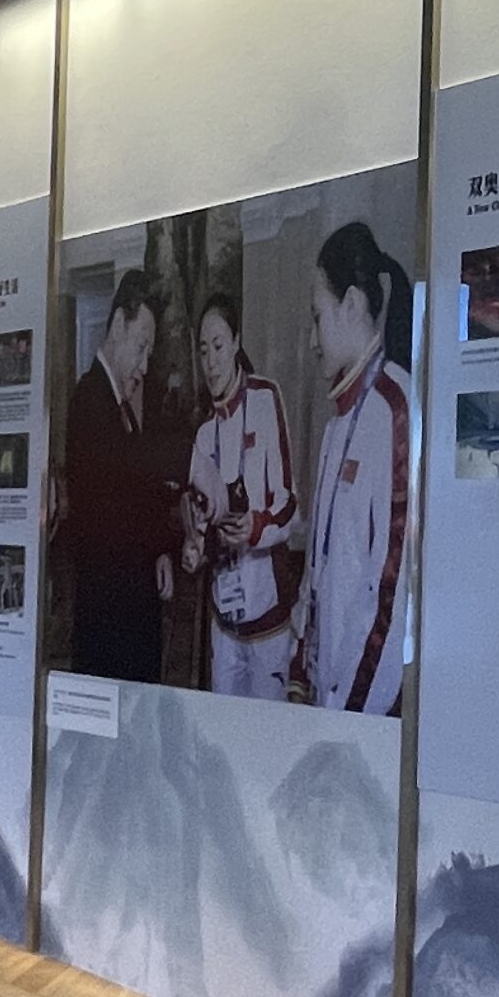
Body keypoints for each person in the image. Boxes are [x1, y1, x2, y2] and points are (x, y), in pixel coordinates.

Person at [290, 223, 413, 714]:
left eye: (317, 317)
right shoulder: (338, 422)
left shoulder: (394, 409)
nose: (312, 339)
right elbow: (319, 569)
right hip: (329, 697)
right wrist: (301, 670)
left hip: (365, 710)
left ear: (353, 305)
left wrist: (350, 719)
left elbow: (391, 591)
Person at [179, 296, 298, 700]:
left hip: (268, 617)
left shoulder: (265, 398)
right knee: (223, 727)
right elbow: (201, 523)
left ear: (235, 342)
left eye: (218, 346)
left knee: (266, 727)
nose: (210, 362)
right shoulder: (203, 434)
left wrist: (255, 527)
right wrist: (195, 547)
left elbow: (289, 504)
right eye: (203, 350)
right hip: (223, 621)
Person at [61, 270, 175, 683]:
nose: (143, 366)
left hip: (127, 616)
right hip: (111, 625)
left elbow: (136, 490)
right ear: (116, 328)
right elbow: (115, 510)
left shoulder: (118, 406)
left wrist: (160, 549)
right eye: (141, 347)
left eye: (149, 353)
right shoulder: (90, 402)